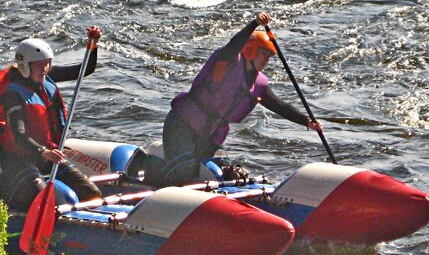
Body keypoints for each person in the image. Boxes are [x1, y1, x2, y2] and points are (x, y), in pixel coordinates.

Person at [135, 12, 323, 187]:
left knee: (225, 171)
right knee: (182, 172)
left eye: (269, 57)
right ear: (249, 50)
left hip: (209, 135)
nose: (266, 60)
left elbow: (280, 106)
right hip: (182, 125)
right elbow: (234, 44)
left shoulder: (258, 84)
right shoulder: (226, 62)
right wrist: (254, 24)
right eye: (263, 54)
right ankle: (145, 163)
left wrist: (307, 121)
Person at [0, 27, 102, 211]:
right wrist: (43, 151)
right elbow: (19, 134)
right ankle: (1, 190)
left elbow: (86, 69)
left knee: (91, 194)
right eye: (39, 64)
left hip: (46, 158)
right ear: (25, 66)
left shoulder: (46, 77)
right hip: (17, 160)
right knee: (48, 203)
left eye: (47, 63)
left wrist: (93, 45)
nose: (45, 68)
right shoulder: (13, 95)